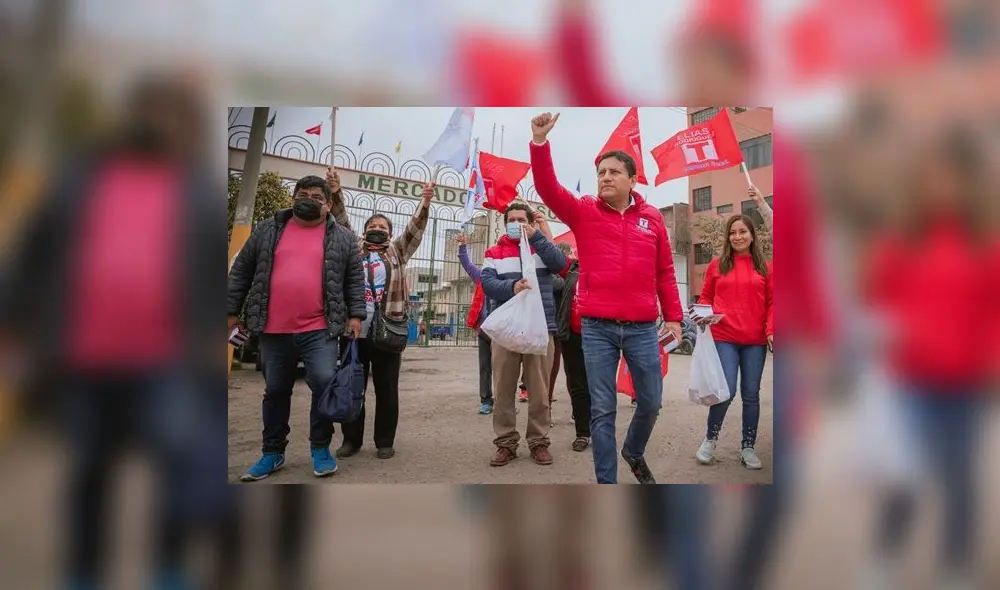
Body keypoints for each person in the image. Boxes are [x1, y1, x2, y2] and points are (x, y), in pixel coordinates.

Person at [528, 112, 684, 484]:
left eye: (614, 172)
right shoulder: (584, 212)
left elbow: (665, 272)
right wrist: (539, 142)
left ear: (633, 179)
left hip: (643, 328)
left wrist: (674, 318)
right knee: (602, 410)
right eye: (601, 172)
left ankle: (633, 451)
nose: (606, 177)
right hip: (597, 328)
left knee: (651, 401)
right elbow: (548, 189)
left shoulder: (652, 219)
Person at [228, 173, 365, 481]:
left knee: (323, 382)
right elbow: (242, 271)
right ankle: (272, 452)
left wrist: (356, 315)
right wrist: (230, 312)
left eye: (317, 197)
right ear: (293, 199)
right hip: (273, 329)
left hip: (320, 328)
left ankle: (320, 448)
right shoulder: (267, 229)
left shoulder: (343, 238)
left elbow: (354, 279)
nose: (309, 200)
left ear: (328, 205)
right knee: (276, 390)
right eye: (303, 194)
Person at [326, 167, 434, 460]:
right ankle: (351, 441)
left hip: (389, 332)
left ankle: (384, 441)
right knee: (352, 386)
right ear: (364, 231)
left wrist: (424, 203)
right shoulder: (353, 247)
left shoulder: (397, 251)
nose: (378, 229)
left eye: (383, 226)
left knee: (387, 389)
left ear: (390, 232)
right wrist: (335, 192)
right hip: (354, 332)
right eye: (373, 225)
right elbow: (340, 220)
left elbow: (415, 229)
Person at [481, 202, 570, 467]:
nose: (517, 224)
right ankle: (506, 443)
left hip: (541, 328)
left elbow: (561, 265)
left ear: (530, 223)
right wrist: (512, 287)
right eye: (512, 220)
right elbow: (487, 283)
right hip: (506, 332)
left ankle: (539, 442)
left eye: (522, 219)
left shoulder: (540, 247)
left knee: (540, 391)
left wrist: (539, 236)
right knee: (503, 390)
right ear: (505, 224)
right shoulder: (494, 252)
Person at [693, 213, 774, 470]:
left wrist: (771, 330)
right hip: (724, 336)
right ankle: (710, 439)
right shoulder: (717, 265)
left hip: (755, 340)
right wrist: (703, 314)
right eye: (732, 232)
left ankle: (748, 447)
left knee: (751, 394)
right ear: (728, 237)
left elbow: (774, 302)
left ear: (752, 235)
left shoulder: (766, 267)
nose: (737, 237)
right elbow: (706, 296)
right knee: (725, 390)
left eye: (742, 232)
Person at [554, 253, 591, 452]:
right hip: (572, 335)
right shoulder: (571, 269)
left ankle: (600, 430)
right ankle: (582, 432)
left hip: (599, 337)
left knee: (599, 386)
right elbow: (549, 254)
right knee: (578, 385)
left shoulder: (606, 266)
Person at [457, 231, 496, 414]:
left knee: (504, 368)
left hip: (502, 331)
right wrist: (462, 246)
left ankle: (504, 401)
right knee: (485, 367)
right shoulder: (481, 277)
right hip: (484, 330)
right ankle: (486, 400)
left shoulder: (507, 279)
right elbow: (467, 264)